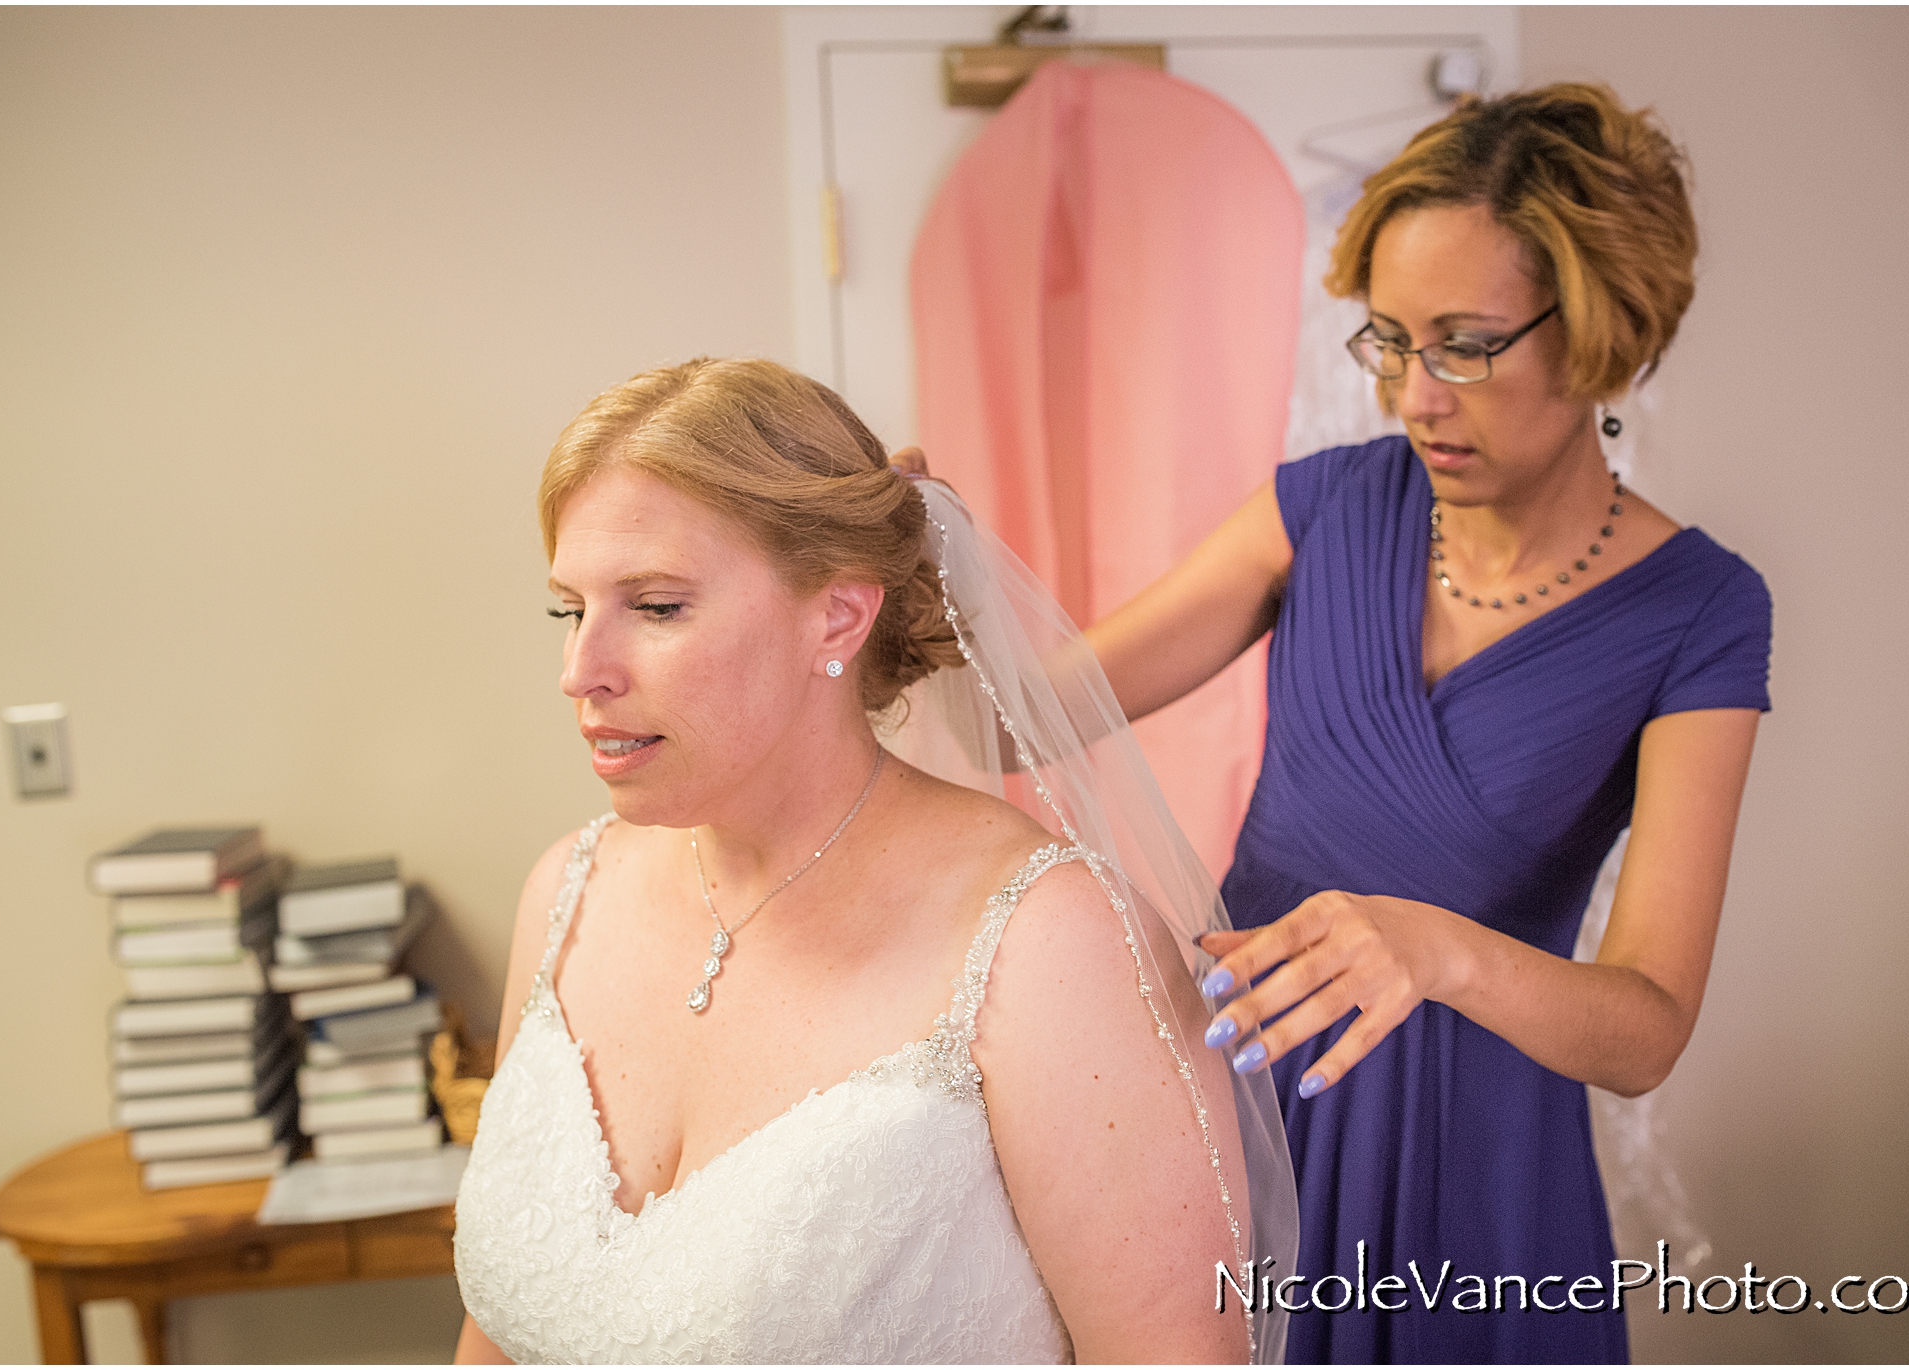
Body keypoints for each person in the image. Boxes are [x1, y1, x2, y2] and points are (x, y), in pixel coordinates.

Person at [1064, 84, 1769, 1362]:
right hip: (1239, 1124)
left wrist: (1437, 950)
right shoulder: (1320, 509)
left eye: (1465, 342)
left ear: (1602, 331)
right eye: (1387, 339)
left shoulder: (1700, 610)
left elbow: (1646, 1025)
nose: (1414, 395)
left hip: (1475, 1179)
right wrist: (900, 572)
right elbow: (1037, 710)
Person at [450, 357, 1295, 1364]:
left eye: (657, 605)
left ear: (838, 616)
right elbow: (494, 1336)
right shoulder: (566, 893)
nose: (579, 669)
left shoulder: (1050, 943)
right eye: (569, 608)